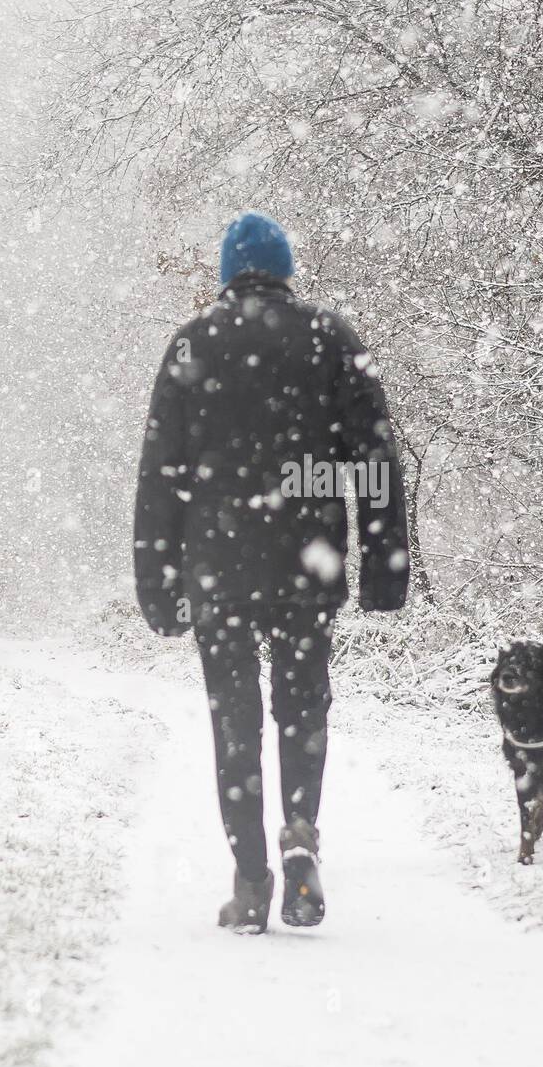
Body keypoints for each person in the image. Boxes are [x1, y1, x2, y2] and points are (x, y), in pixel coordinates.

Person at [134, 212, 409, 933]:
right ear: (285, 271)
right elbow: (374, 462)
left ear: (229, 274)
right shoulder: (328, 338)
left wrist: (157, 581)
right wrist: (385, 565)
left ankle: (251, 879)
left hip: (218, 567)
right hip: (303, 563)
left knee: (235, 723)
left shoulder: (193, 343)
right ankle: (299, 839)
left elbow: (161, 477)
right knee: (302, 708)